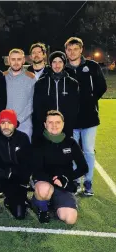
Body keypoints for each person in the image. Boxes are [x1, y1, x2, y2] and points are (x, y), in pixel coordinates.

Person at [64, 37, 107, 196]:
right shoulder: (64, 68)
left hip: (89, 118)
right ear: (66, 51)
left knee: (88, 151)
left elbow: (102, 87)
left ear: (81, 50)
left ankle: (88, 182)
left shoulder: (92, 66)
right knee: (72, 151)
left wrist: (89, 100)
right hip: (70, 119)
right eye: (69, 49)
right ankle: (75, 180)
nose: (72, 52)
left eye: (75, 49)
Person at [31, 110, 88, 224]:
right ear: (45, 125)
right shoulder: (38, 143)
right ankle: (41, 208)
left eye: (57, 122)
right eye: (50, 122)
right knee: (44, 190)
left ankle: (53, 202)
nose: (54, 125)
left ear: (63, 124)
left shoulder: (70, 142)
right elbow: (36, 170)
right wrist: (54, 179)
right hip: (45, 181)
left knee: (70, 219)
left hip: (63, 183)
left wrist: (65, 178)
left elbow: (83, 167)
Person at [0, 109, 32, 222]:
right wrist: (5, 173)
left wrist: (18, 176)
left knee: (20, 215)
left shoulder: (23, 138)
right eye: (3, 122)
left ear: (14, 124)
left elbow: (28, 163)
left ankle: (10, 201)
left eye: (9, 122)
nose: (6, 126)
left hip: (16, 179)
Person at [32, 51, 79, 144]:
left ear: (64, 64)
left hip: (65, 127)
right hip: (47, 127)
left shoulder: (72, 83)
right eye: (54, 62)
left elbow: (75, 106)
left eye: (60, 62)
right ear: (50, 64)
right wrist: (46, 123)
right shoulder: (41, 83)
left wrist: (67, 123)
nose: (57, 65)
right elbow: (37, 107)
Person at [4, 48, 36, 141]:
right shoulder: (3, 77)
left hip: (24, 124)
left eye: (19, 59)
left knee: (25, 153)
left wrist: (19, 119)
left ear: (23, 60)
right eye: (13, 59)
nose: (16, 62)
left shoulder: (31, 78)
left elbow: (32, 102)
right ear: (9, 60)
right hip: (6, 123)